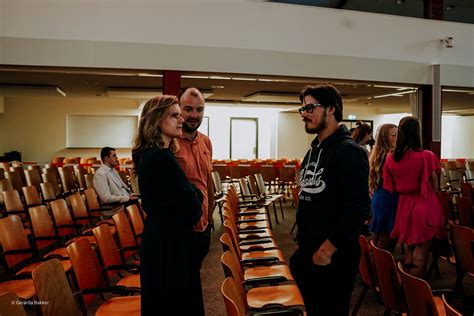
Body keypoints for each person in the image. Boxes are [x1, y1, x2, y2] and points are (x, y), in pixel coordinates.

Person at [290, 84, 370, 316]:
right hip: (308, 253)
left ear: (331, 109)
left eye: (310, 108)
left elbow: (358, 210)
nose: (304, 113)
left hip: (332, 258)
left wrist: (327, 250)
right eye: (302, 108)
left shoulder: (349, 152)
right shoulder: (315, 148)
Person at [132, 95, 203, 315]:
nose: (181, 119)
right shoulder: (161, 158)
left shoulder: (148, 155)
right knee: (173, 305)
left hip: (162, 238)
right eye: (174, 115)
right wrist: (196, 195)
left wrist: (193, 195)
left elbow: (188, 198)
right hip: (169, 245)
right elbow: (193, 207)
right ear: (156, 120)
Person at [383, 116, 445, 277]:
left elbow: (390, 186)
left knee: (410, 248)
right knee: (421, 252)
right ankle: (415, 294)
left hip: (404, 206)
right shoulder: (427, 156)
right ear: (417, 133)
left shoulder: (391, 157)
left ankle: (407, 287)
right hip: (424, 204)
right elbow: (437, 186)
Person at [175, 87, 214, 316]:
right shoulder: (169, 142)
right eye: (188, 109)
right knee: (182, 285)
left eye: (199, 110)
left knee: (193, 277)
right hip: (181, 228)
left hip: (203, 227)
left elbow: (207, 181)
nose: (193, 115)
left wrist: (209, 218)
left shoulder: (207, 142)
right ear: (178, 108)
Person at [369, 124, 399, 250]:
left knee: (378, 237)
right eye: (393, 135)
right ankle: (380, 267)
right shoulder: (390, 155)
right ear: (384, 138)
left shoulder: (377, 154)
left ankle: (373, 265)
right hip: (388, 198)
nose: (397, 138)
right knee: (386, 241)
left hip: (380, 197)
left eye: (398, 134)